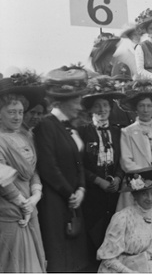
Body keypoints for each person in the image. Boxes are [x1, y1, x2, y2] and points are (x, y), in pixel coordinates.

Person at [34, 65, 90, 272]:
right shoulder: (46, 125)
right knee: (59, 254)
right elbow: (49, 167)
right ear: (63, 102)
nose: (79, 105)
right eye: (76, 100)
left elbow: (79, 163)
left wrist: (82, 189)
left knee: (75, 255)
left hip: (74, 200)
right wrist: (70, 193)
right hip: (56, 201)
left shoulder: (71, 127)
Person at [78, 76, 126, 268]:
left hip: (113, 194)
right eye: (98, 106)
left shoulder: (117, 132)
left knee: (112, 232)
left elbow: (122, 160)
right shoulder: (82, 132)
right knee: (92, 235)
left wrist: (118, 178)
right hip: (92, 195)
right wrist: (98, 180)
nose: (102, 110)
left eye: (105, 105)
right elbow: (78, 165)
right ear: (90, 109)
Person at [0, 74, 46, 272]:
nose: (17, 117)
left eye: (20, 112)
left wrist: (35, 196)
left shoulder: (26, 135)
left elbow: (33, 171)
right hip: (9, 211)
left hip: (30, 207)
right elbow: (2, 180)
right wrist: (22, 203)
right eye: (11, 112)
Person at [97, 167, 152, 273]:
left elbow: (151, 252)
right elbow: (108, 258)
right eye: (144, 194)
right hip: (116, 267)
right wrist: (130, 272)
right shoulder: (122, 217)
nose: (150, 198)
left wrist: (138, 265)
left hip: (140, 264)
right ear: (135, 195)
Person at [117, 80, 152, 210]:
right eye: (141, 106)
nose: (145, 110)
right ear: (136, 108)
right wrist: (144, 180)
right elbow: (126, 161)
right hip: (135, 184)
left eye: (149, 106)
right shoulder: (127, 132)